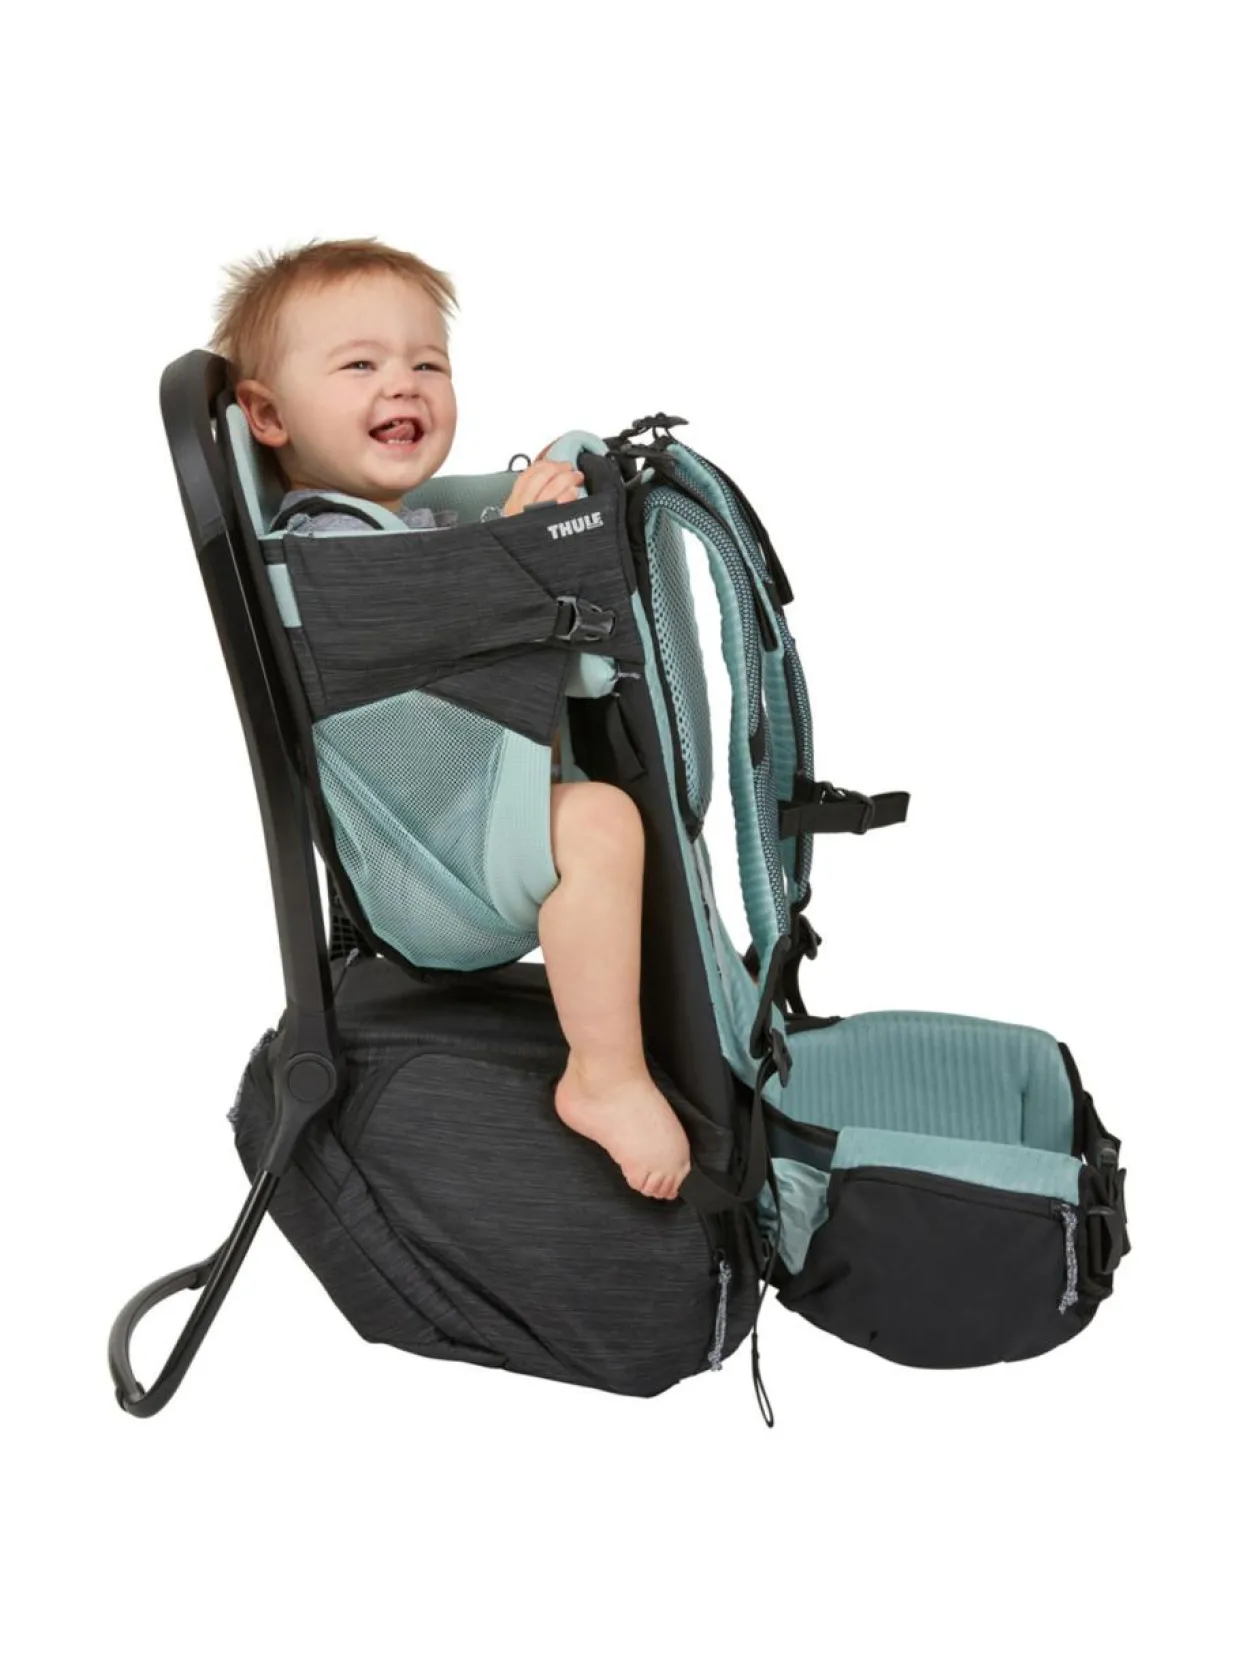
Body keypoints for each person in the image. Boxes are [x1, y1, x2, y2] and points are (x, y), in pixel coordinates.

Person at [211, 236, 693, 1200]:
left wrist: (511, 520)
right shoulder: (326, 541)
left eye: (427, 363)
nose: (404, 383)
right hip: (434, 867)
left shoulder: (398, 523)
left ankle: (637, 1033)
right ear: (267, 414)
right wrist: (522, 539)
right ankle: (603, 1078)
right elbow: (444, 607)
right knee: (602, 826)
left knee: (611, 821)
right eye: (360, 365)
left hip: (458, 823)